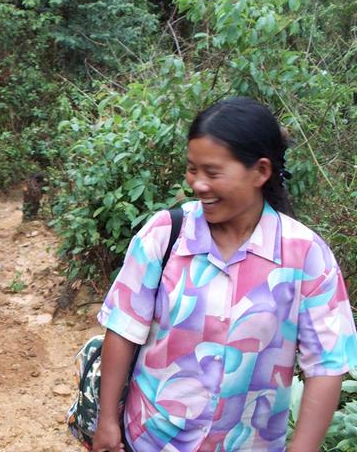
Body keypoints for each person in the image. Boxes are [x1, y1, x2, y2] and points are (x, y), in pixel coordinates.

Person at [92, 97, 357, 452]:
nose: (198, 184)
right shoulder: (164, 234)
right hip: (151, 439)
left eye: (213, 172)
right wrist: (108, 419)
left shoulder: (305, 255)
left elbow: (326, 364)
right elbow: (124, 327)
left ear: (261, 172)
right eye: (192, 169)